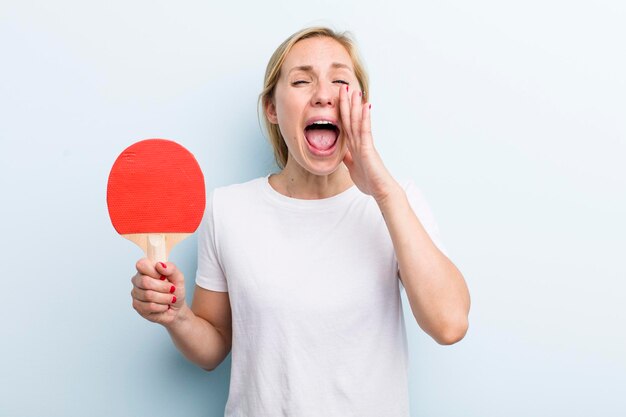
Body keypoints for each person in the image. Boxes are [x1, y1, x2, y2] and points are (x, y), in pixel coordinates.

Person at [131, 26, 470, 416]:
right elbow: (213, 347)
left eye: (340, 80)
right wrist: (177, 317)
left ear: (360, 105)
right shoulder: (228, 209)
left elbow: (450, 324)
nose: (323, 94)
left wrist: (383, 192)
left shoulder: (397, 201)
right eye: (302, 80)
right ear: (272, 109)